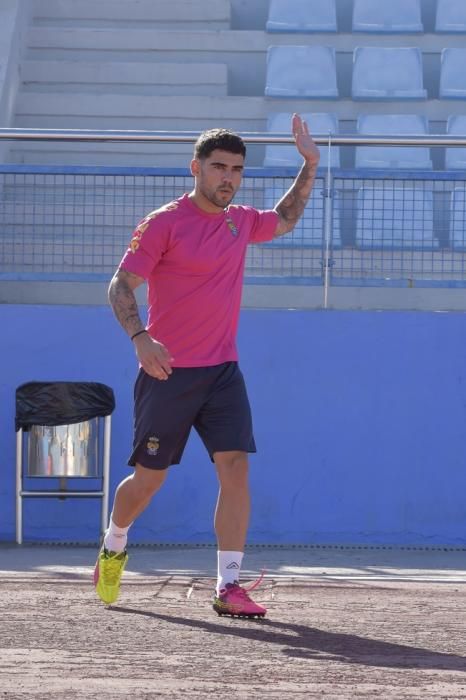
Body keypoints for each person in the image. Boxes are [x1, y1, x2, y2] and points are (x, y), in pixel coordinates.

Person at [94, 113, 320, 617]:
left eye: (237, 170)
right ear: (195, 167)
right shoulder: (163, 223)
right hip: (167, 372)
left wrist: (309, 164)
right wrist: (140, 337)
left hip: (222, 372)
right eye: (219, 167)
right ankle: (114, 542)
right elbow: (120, 285)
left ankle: (228, 586)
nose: (228, 178)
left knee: (236, 469)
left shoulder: (240, 221)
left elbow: (284, 219)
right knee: (148, 482)